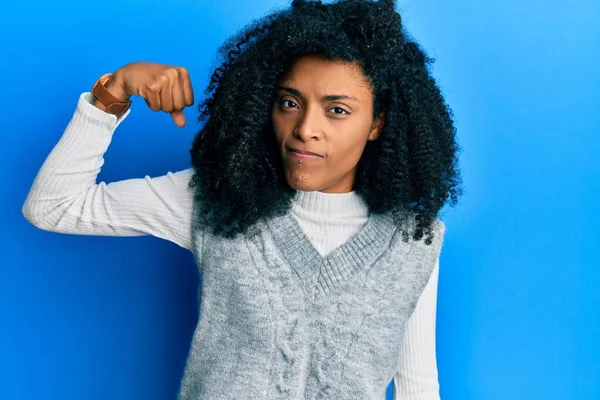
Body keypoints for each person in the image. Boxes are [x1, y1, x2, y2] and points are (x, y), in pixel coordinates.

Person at [22, 0, 463, 398]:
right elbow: (52, 206)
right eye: (289, 102)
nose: (306, 127)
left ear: (378, 123)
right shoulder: (216, 200)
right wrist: (112, 93)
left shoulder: (414, 240)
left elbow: (417, 385)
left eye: (337, 110)